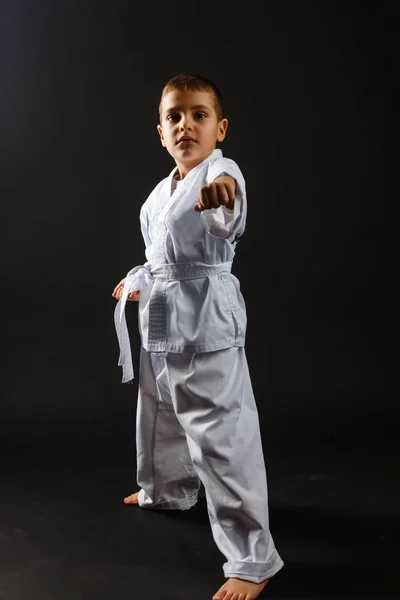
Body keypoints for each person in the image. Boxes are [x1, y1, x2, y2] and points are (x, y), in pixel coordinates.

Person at [112, 72, 284, 600]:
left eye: (198, 115)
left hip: (206, 317)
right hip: (162, 313)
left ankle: (252, 559)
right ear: (161, 132)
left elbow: (227, 214)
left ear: (220, 128)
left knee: (219, 434)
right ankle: (166, 489)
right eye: (174, 116)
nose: (186, 124)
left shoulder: (220, 172)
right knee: (159, 410)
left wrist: (223, 200)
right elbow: (159, 254)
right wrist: (139, 279)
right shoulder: (160, 192)